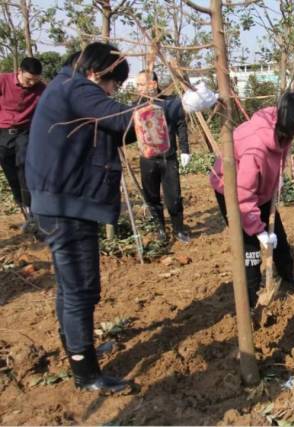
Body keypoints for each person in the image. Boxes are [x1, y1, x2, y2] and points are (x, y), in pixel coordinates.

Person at [26, 43, 215, 393]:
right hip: (67, 206)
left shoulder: (65, 87)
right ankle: (86, 374)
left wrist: (173, 108)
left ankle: (78, 352)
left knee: (71, 287)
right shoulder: (76, 87)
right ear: (98, 73)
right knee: (81, 288)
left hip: (59, 202)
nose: (113, 92)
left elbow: (123, 128)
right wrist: (182, 105)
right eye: (113, 84)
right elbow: (124, 119)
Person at [209, 92, 294, 308]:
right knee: (250, 248)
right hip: (233, 191)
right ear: (287, 121)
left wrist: (276, 181)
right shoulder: (255, 147)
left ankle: (287, 276)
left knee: (278, 237)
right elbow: (243, 194)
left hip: (260, 187)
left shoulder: (283, 126)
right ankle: (251, 296)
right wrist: (258, 230)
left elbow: (278, 157)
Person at [136, 70, 191, 243]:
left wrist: (185, 150)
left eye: (140, 84)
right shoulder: (136, 106)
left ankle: (179, 229)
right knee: (152, 197)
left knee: (173, 197)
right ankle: (160, 229)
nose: (137, 88)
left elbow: (181, 124)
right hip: (147, 159)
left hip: (169, 157)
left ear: (153, 84)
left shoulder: (171, 103)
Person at [0, 57, 45, 230]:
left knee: (24, 170)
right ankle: (23, 207)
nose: (31, 83)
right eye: (28, 79)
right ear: (19, 71)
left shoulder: (41, 89)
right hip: (3, 133)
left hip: (24, 133)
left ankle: (33, 214)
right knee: (11, 174)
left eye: (35, 80)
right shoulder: (3, 80)